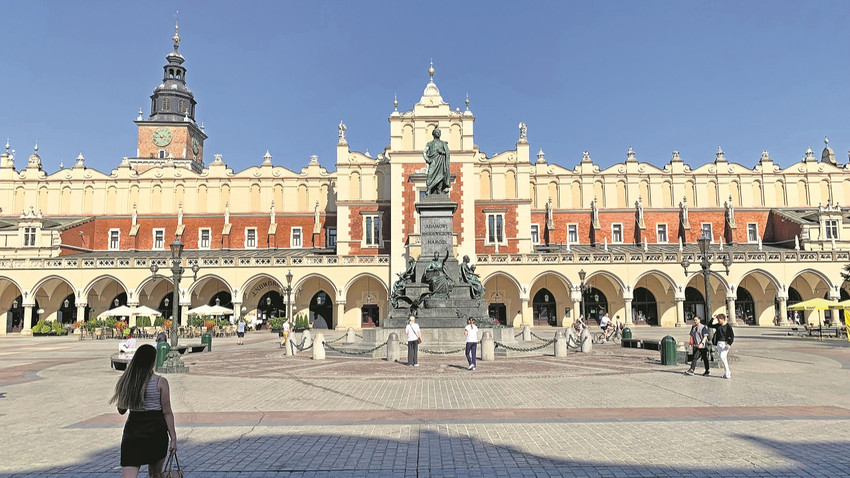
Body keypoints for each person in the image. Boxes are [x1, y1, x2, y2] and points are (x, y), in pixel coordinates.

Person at [109, 344, 177, 478]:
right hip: (156, 432)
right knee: (155, 474)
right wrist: (173, 437)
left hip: (133, 433)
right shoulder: (160, 382)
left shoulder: (127, 381)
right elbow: (167, 412)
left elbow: (121, 410)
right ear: (153, 361)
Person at [709, 313, 735, 379]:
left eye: (719, 319)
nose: (718, 321)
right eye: (717, 319)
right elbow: (709, 325)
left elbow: (732, 336)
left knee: (722, 356)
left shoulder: (728, 326)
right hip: (719, 343)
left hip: (725, 344)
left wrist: (729, 344)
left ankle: (728, 372)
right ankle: (727, 372)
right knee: (723, 359)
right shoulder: (718, 325)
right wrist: (712, 318)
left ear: (723, 319)